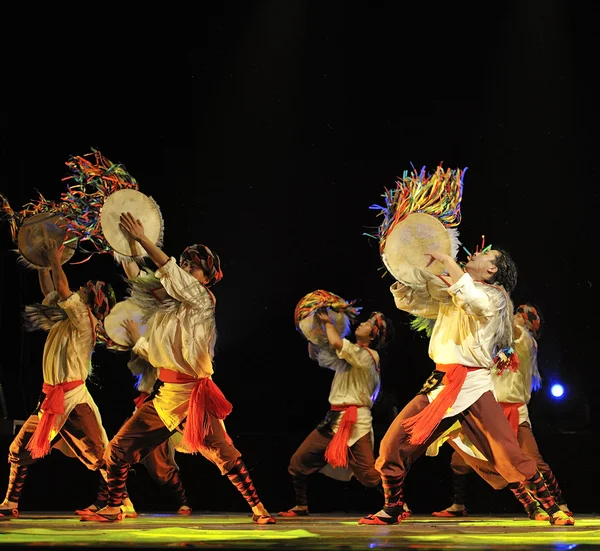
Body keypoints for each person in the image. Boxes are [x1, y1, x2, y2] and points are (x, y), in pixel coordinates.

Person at [81, 212, 275, 523]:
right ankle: (113, 508)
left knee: (224, 455)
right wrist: (126, 246)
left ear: (206, 277)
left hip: (193, 397)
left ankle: (259, 509)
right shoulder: (168, 304)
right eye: (185, 264)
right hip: (165, 396)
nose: (186, 268)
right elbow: (139, 280)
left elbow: (166, 269)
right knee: (117, 449)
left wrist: (143, 238)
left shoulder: (201, 299)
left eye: (193, 266)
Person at [358, 247, 574, 526]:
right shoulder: (455, 289)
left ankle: (552, 507)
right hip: (440, 385)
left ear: (492, 270)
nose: (475, 253)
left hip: (472, 386)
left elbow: (473, 301)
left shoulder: (494, 297)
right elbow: (417, 304)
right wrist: (404, 275)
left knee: (508, 453)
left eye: (486, 254)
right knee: (392, 444)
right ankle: (392, 508)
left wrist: (447, 261)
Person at [0, 239, 125, 518]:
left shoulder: (83, 319)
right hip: (50, 399)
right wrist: (43, 264)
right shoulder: (65, 317)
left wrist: (56, 259)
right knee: (18, 449)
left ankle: (121, 504)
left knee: (98, 456)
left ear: (93, 301)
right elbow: (50, 290)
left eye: (85, 291)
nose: (80, 291)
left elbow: (62, 288)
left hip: (72, 400)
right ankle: (10, 503)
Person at [431, 303, 572, 520]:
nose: (514, 316)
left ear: (528, 324)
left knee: (534, 460)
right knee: (461, 460)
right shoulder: (497, 346)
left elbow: (510, 328)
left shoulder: (526, 342)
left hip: (515, 411)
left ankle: (559, 504)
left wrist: (494, 302)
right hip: (490, 411)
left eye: (518, 314)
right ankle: (459, 504)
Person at [279, 310, 409, 517]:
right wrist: (312, 333)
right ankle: (301, 505)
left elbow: (338, 344)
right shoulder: (351, 355)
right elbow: (319, 353)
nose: (362, 324)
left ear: (373, 335)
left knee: (368, 476)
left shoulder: (368, 356)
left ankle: (398, 503)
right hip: (334, 420)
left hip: (357, 422)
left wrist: (327, 322)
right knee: (298, 462)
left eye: (368, 323)